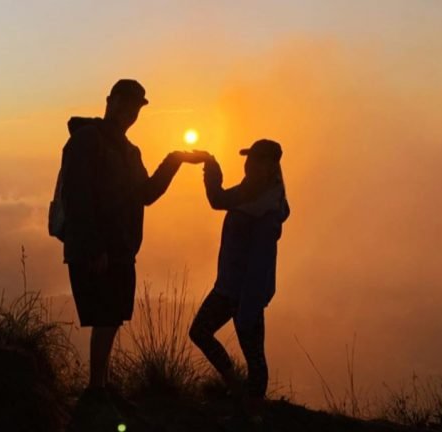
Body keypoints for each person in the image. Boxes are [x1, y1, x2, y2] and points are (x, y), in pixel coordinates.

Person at [60, 79, 206, 426]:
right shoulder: (84, 142)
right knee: (105, 316)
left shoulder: (130, 151)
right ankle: (96, 391)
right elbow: (78, 196)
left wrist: (174, 160)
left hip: (122, 248)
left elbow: (146, 194)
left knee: (111, 318)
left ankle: (101, 387)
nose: (130, 113)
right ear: (110, 101)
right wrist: (95, 247)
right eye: (126, 105)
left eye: (136, 108)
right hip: (97, 249)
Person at [189, 139, 290, 427]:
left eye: (255, 159)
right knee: (204, 334)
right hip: (230, 287)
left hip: (245, 294)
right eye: (249, 158)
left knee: (253, 355)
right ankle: (240, 397)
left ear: (270, 167)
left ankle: (252, 413)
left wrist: (248, 307)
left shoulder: (265, 210)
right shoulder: (251, 195)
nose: (248, 163)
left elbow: (260, 265)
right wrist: (211, 165)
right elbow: (218, 200)